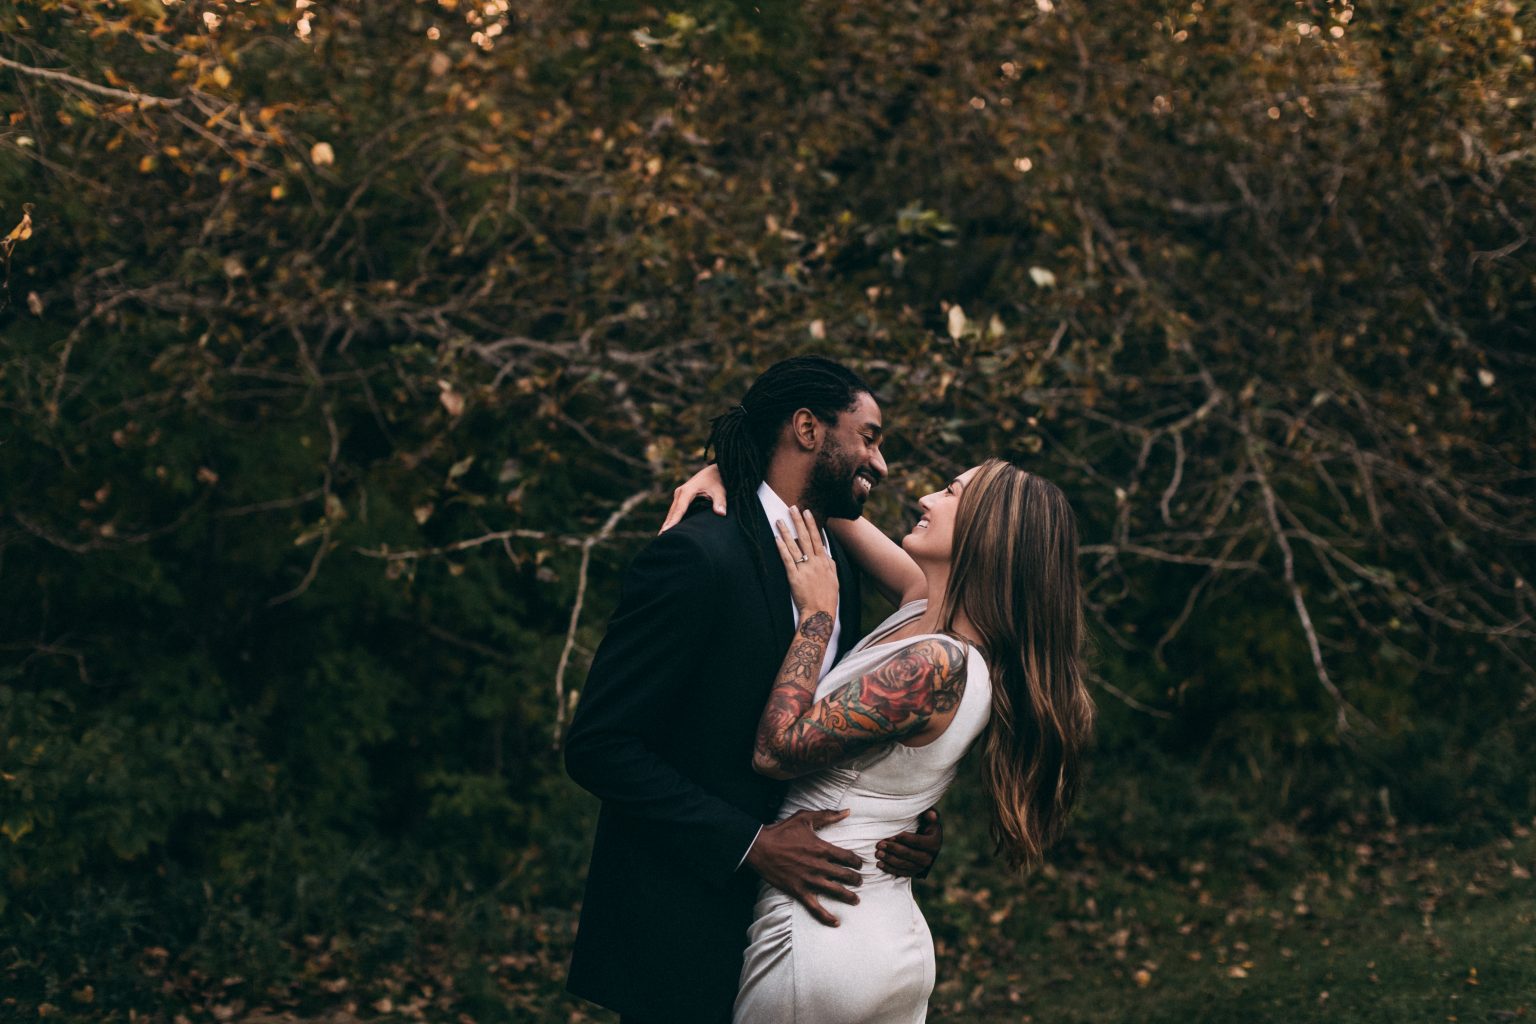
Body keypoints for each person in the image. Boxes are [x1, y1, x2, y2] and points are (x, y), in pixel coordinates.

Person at [563, 356, 944, 1024]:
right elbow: (599, 745)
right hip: (686, 931)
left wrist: (901, 820)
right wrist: (752, 843)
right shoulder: (698, 556)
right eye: (870, 436)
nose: (881, 465)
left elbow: (839, 722)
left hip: (804, 938)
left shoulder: (834, 561)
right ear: (806, 427)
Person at [660, 455, 1096, 1022]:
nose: (926, 499)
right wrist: (734, 471)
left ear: (988, 533)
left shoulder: (936, 662)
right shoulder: (928, 612)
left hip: (822, 934)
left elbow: (774, 752)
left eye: (950, 493)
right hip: (875, 925)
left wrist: (819, 613)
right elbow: (823, 505)